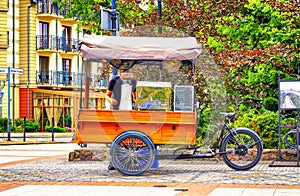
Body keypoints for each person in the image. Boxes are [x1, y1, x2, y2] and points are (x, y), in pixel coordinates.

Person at [106, 68, 137, 170]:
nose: (125, 74)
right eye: (123, 72)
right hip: (117, 111)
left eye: (127, 72)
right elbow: (107, 96)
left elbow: (135, 96)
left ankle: (129, 160)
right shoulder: (114, 81)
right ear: (119, 72)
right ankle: (113, 161)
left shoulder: (133, 81)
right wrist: (111, 100)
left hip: (129, 112)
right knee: (116, 136)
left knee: (129, 136)